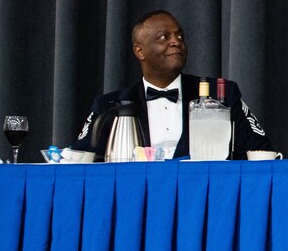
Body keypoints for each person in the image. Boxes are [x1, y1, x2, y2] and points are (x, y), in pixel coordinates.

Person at [71, 10, 272, 160]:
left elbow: (261, 151)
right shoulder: (110, 105)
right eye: (164, 37)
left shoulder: (221, 93)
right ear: (139, 51)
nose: (176, 42)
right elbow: (81, 160)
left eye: (180, 36)